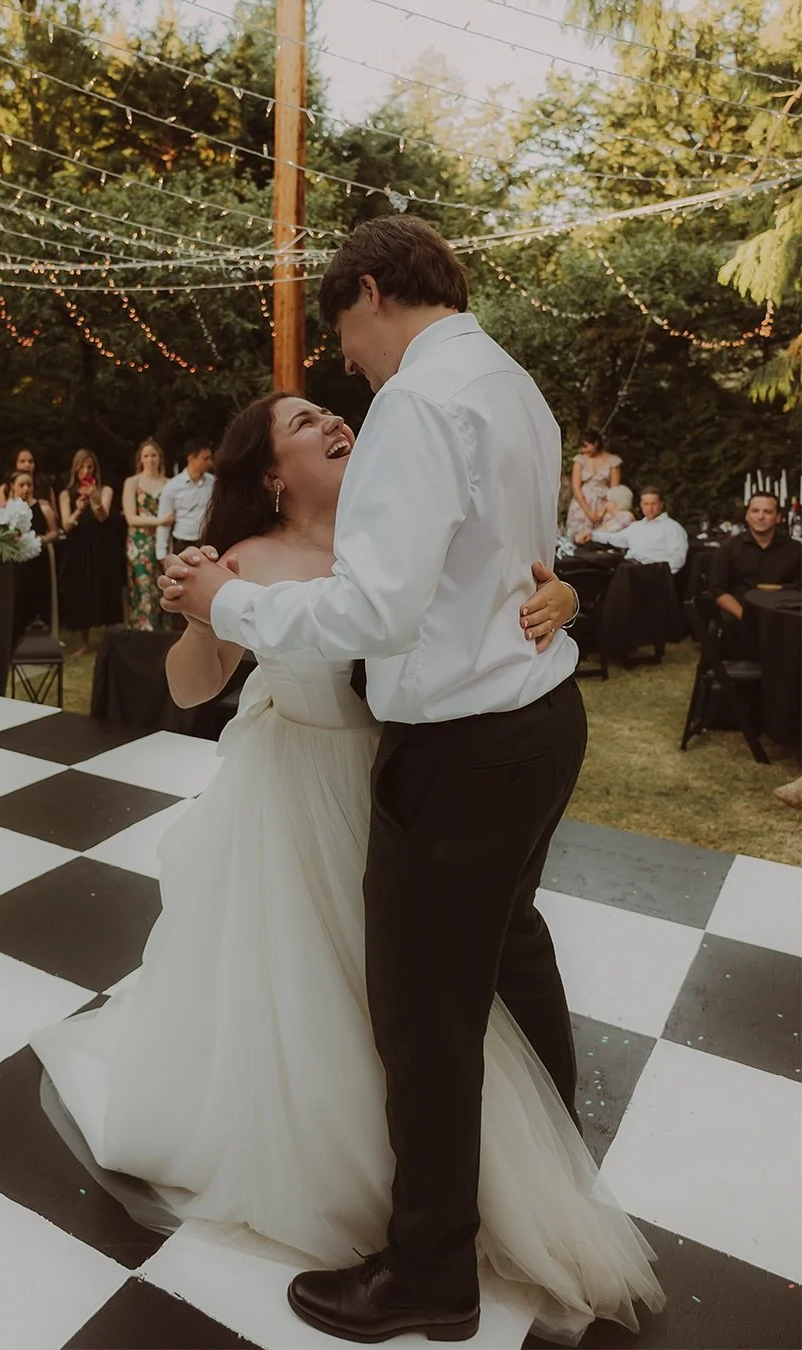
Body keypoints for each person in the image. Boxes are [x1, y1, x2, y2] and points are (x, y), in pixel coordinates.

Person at [32, 390, 662, 1347]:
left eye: (330, 409)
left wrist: (561, 594)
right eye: (301, 423)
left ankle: (445, 1187)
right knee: (312, 982)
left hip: (400, 783)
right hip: (294, 790)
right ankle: (348, 1176)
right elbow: (189, 686)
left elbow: (495, 593)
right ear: (270, 476)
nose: (334, 421)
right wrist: (202, 619)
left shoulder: (394, 532)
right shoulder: (247, 559)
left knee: (418, 993)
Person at [708, 492, 801, 658]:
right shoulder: (729, 548)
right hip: (740, 618)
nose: (760, 516)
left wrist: (779, 588)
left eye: (767, 512)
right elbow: (718, 590)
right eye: (755, 511)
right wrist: (745, 617)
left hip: (786, 619)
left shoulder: (796, 550)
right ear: (747, 516)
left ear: (778, 517)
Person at [60, 450, 122, 656]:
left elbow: (103, 516)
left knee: (104, 588)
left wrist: (94, 497)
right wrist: (78, 509)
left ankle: (109, 640)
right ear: (75, 470)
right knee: (81, 591)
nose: (86, 471)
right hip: (78, 547)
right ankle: (84, 642)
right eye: (82, 467)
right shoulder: (65, 494)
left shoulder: (105, 490)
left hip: (101, 545)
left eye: (90, 467)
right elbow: (66, 526)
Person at [121, 438, 172, 632]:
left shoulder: (169, 483)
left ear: (160, 458)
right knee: (143, 587)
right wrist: (159, 521)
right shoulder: (132, 482)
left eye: (154, 455)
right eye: (146, 456)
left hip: (164, 540)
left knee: (163, 586)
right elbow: (131, 517)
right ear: (140, 459)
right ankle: (142, 631)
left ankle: (162, 631)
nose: (150, 460)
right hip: (139, 542)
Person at [587, 485, 688, 573]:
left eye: (653, 504)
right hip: (630, 568)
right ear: (641, 505)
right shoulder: (636, 526)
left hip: (654, 574)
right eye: (646, 504)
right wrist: (592, 535)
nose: (650, 508)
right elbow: (615, 538)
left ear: (661, 504)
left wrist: (656, 570)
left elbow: (678, 559)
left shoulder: (673, 528)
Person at [7, 469, 56, 644]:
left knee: (39, 598)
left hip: (38, 560)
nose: (26, 488)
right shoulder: (7, 510)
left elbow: (54, 532)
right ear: (13, 486)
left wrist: (40, 539)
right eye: (22, 485)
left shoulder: (43, 507)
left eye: (29, 484)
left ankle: (40, 640)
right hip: (16, 562)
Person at [155, 440, 215, 561]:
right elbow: (164, 521)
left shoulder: (213, 482)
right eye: (205, 459)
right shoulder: (173, 486)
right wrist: (161, 554)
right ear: (192, 458)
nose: (210, 463)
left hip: (207, 542)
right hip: (183, 543)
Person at [565, 428, 622, 539]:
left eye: (586, 446)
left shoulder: (613, 461)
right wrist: (588, 511)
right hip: (583, 502)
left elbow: (615, 490)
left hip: (603, 501)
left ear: (595, 443)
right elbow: (576, 487)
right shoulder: (580, 460)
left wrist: (602, 510)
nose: (583, 450)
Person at [0, 448, 56, 519]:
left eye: (31, 461)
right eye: (22, 461)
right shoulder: (5, 488)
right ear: (15, 464)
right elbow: (1, 514)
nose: (27, 465)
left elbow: (55, 516)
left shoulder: (45, 485)